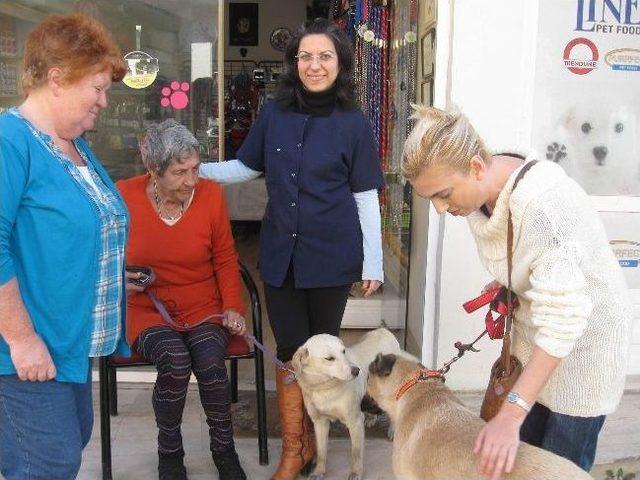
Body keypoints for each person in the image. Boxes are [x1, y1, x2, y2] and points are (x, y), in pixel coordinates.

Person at [402, 106, 632, 479]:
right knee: (520, 467)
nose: (441, 209)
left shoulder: (542, 209)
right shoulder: (488, 184)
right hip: (539, 342)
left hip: (584, 353)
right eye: (432, 199)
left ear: (476, 166)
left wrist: (511, 412)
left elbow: (565, 319)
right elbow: (536, 258)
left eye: (443, 194)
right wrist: (514, 283)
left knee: (557, 468)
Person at [199, 18, 385, 480]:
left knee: (324, 351)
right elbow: (245, 167)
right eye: (306, 56)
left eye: (324, 56)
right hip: (281, 254)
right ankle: (295, 451)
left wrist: (373, 262)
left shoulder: (355, 124)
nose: (314, 64)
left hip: (332, 257)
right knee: (289, 353)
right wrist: (194, 169)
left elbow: (365, 197)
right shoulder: (274, 114)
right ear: (294, 63)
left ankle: (314, 444)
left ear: (339, 64)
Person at [0, 13, 130, 480]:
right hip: (25, 352)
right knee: (47, 464)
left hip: (67, 347)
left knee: (66, 448)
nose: (103, 101)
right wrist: (20, 338)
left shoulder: (72, 143)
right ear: (57, 78)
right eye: (96, 88)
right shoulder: (9, 140)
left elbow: (76, 230)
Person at [117, 120, 248, 480]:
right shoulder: (124, 195)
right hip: (146, 310)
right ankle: (170, 453)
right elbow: (102, 252)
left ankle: (224, 451)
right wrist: (118, 279)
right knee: (175, 361)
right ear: (153, 171)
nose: (191, 181)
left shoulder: (210, 196)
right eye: (179, 172)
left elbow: (224, 257)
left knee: (209, 362)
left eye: (194, 169)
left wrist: (232, 306)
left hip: (205, 307)